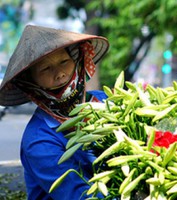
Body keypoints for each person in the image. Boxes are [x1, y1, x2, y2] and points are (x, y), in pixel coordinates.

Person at [0, 25, 109, 199]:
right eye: (45, 69)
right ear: (31, 82)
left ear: (77, 62)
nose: (59, 74)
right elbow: (81, 196)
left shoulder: (104, 101)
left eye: (64, 62)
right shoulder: (38, 141)